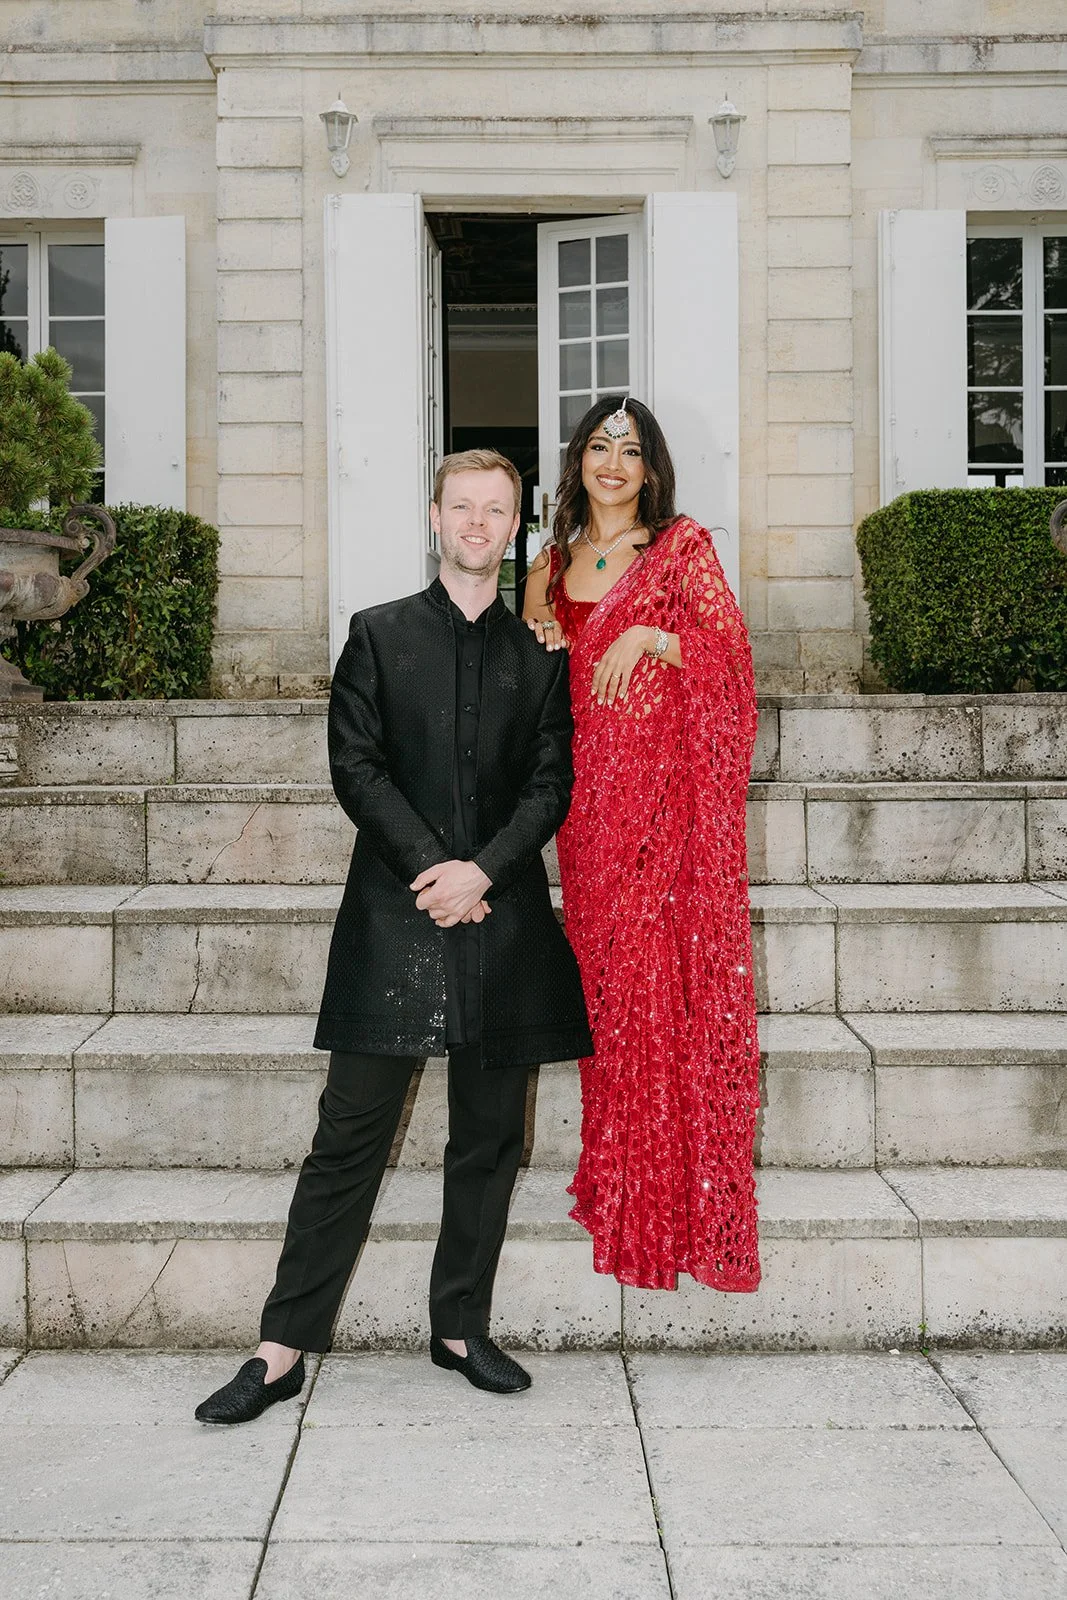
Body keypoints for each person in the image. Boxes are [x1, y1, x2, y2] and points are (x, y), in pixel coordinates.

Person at [196, 448, 592, 1424]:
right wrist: (435, 871)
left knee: (489, 1138)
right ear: (434, 517)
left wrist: (482, 871)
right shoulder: (375, 634)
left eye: (494, 509)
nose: (476, 522)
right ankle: (280, 1348)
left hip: (502, 916)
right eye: (462, 506)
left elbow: (551, 782)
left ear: (514, 526)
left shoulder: (543, 654)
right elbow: (356, 767)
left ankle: (458, 1328)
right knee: (348, 1138)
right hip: (393, 915)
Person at [523, 397, 761, 1294]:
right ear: (578, 462)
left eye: (630, 450)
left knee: (658, 983)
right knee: (610, 996)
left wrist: (653, 634)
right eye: (599, 446)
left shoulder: (681, 549)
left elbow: (730, 663)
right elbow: (531, 654)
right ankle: (620, 1174)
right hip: (585, 809)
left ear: (651, 468)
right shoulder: (547, 564)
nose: (613, 463)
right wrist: (541, 631)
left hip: (664, 803)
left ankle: (671, 1198)